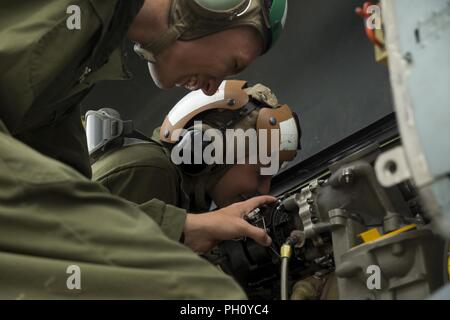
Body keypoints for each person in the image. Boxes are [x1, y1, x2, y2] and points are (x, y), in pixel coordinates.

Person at [0, 0, 288, 298]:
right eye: (234, 64)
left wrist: (183, 228)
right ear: (214, 6)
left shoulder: (78, 67)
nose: (212, 88)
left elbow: (58, 210)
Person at [88, 80, 302, 254]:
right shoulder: (153, 171)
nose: (264, 189)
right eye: (260, 172)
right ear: (204, 149)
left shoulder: (184, 191)